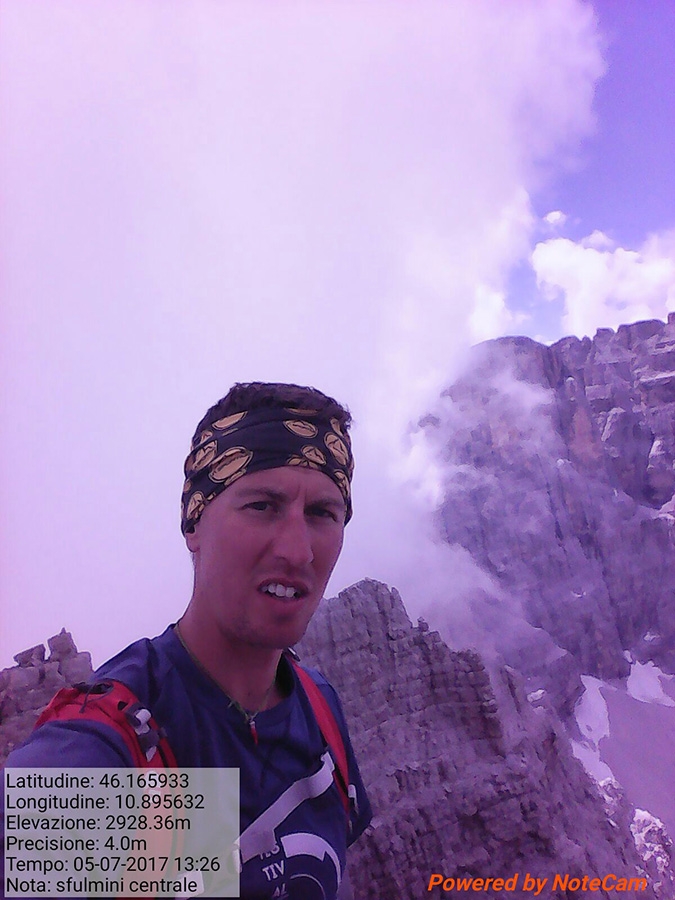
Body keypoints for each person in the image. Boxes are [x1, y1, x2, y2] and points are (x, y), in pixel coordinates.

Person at [1, 382, 372, 899]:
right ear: (194, 522)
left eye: (322, 514)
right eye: (262, 505)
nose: (297, 551)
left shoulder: (320, 708)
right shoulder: (123, 737)